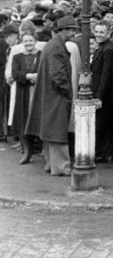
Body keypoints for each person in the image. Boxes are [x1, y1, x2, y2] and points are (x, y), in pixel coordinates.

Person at [25, 16, 78, 176]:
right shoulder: (57, 47)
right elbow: (58, 75)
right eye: (70, 29)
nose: (73, 32)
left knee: (49, 132)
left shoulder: (52, 45)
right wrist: (68, 92)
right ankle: (61, 166)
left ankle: (50, 164)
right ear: (62, 31)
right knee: (57, 132)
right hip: (56, 96)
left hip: (49, 95)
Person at [91, 21, 113, 163]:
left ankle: (101, 152)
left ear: (108, 33)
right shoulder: (103, 47)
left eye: (101, 32)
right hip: (102, 93)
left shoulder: (108, 49)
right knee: (104, 125)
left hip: (103, 95)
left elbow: (106, 74)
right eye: (96, 32)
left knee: (100, 125)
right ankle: (105, 153)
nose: (98, 35)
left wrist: (99, 97)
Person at [12, 33, 40, 165]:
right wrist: (29, 76)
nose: (28, 43)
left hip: (38, 93)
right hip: (23, 93)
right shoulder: (17, 57)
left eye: (30, 40)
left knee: (39, 120)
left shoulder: (41, 55)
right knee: (23, 121)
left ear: (35, 41)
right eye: (26, 41)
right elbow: (15, 74)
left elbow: (45, 71)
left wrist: (38, 77)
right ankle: (27, 152)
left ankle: (44, 152)